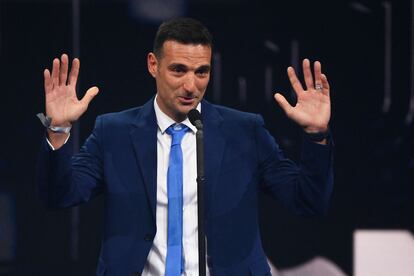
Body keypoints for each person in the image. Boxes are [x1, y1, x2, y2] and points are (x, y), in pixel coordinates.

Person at [37, 17, 333, 276]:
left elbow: (307, 200)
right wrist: (58, 129)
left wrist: (317, 134)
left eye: (201, 72)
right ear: (153, 65)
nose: (191, 86)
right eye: (179, 70)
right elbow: (60, 195)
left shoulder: (244, 131)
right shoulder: (113, 132)